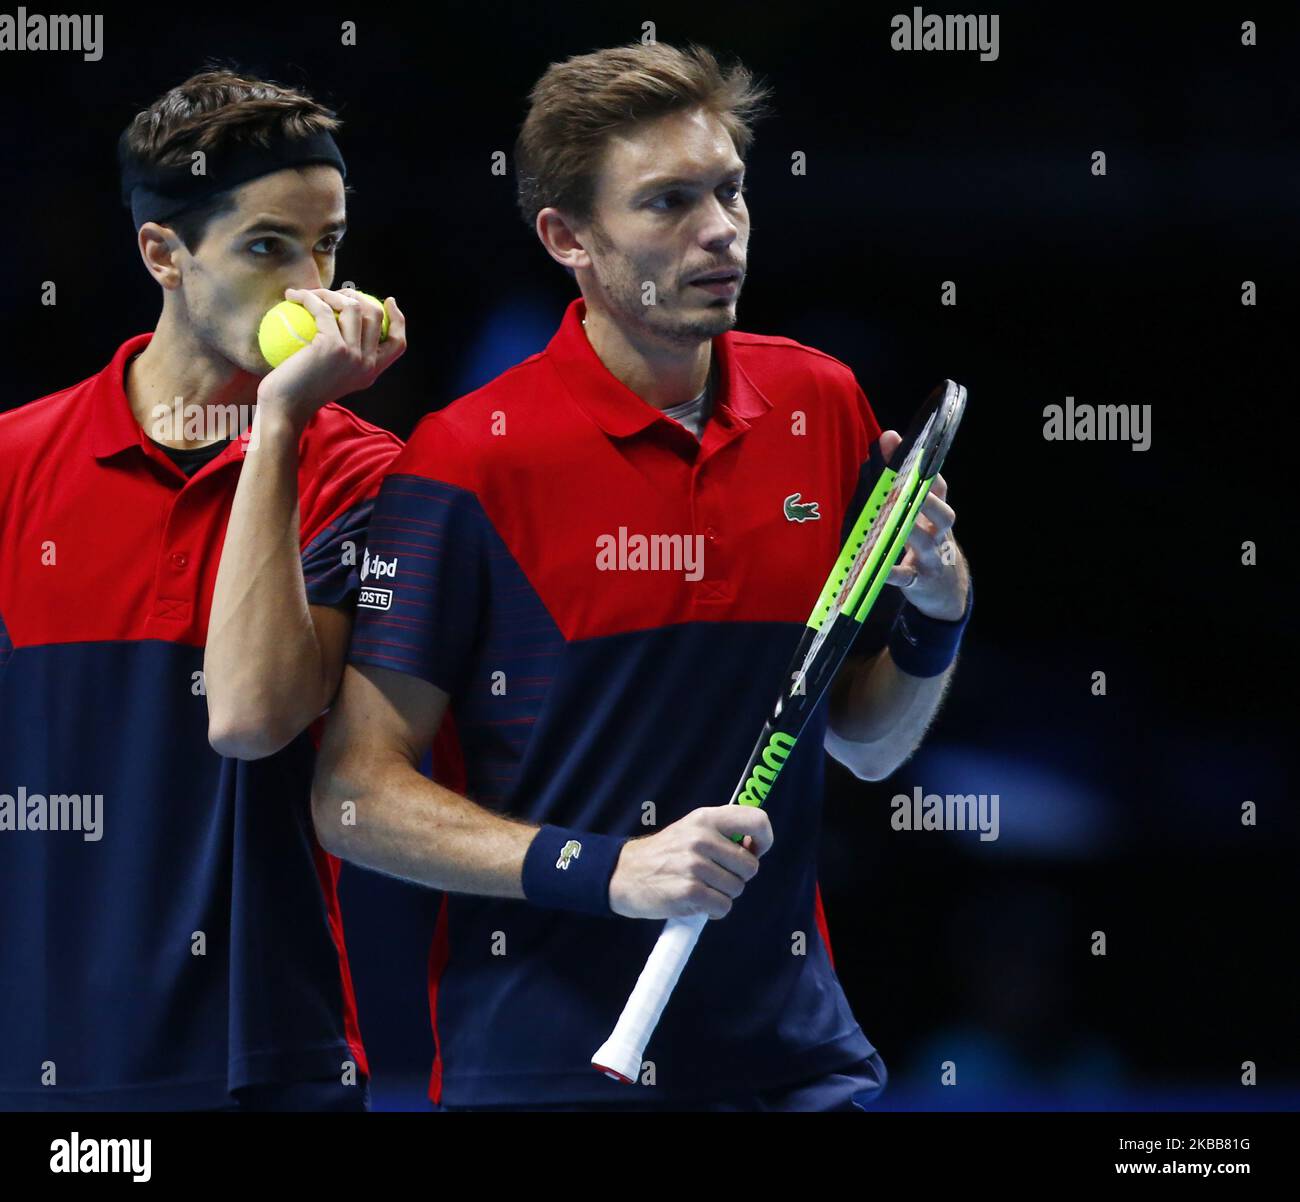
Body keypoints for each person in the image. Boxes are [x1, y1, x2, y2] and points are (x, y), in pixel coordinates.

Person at [312, 41, 972, 1111]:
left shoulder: (822, 406)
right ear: (568, 237)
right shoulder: (468, 457)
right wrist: (610, 868)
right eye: (667, 202)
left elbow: (862, 740)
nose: (719, 229)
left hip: (794, 1060)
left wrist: (935, 617)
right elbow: (354, 797)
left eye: (730, 190)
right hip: (544, 1066)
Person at [0, 67, 406, 1111]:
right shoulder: (14, 464)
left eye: (329, 245)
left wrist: (277, 426)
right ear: (163, 255)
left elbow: (254, 715)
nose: (314, 285)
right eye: (270, 246)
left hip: (270, 1059)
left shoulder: (364, 473)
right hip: (42, 1066)